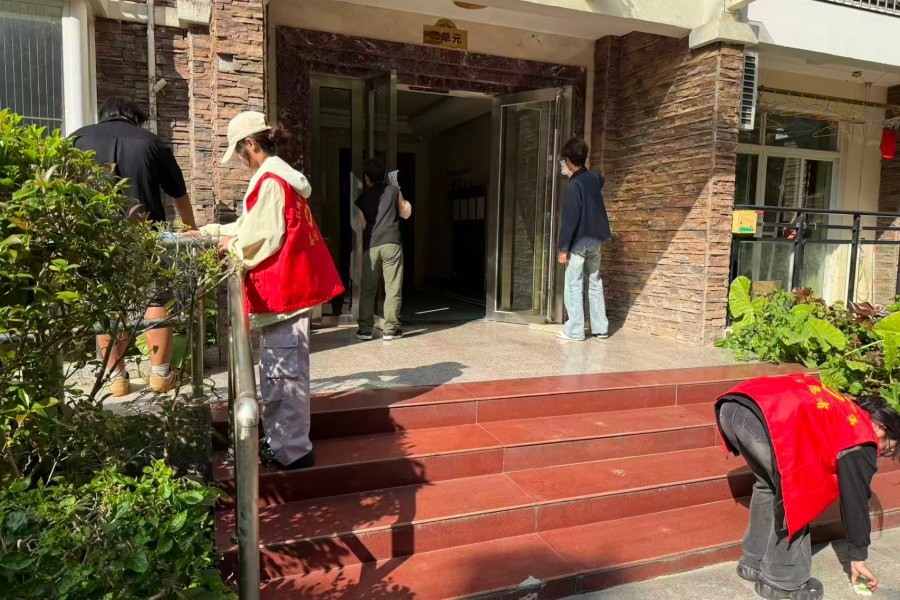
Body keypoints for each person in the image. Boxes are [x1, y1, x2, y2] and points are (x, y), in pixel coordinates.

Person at [198, 111, 343, 470]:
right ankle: (285, 445)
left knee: (283, 376)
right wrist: (212, 233)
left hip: (284, 294)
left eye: (240, 153)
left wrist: (230, 246)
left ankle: (291, 451)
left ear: (250, 144)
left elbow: (261, 236)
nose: (241, 161)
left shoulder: (270, 181)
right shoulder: (281, 178)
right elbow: (252, 227)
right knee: (282, 372)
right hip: (288, 293)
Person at [715, 373, 900, 600]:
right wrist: (858, 556)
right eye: (888, 449)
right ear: (882, 427)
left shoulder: (843, 409)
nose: (880, 453)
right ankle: (782, 581)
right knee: (799, 497)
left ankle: (752, 562)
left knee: (768, 487)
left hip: (732, 405)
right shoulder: (862, 434)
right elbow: (855, 500)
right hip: (762, 418)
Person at [70, 97, 198, 396]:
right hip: (146, 237)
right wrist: (191, 229)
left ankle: (116, 378)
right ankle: (160, 375)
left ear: (103, 115)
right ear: (134, 117)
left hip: (97, 239)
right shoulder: (151, 142)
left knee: (108, 304)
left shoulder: (77, 139)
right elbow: (178, 193)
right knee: (157, 300)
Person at [555, 138, 612, 342]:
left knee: (573, 284)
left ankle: (575, 331)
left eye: (564, 161)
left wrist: (563, 248)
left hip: (579, 242)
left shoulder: (574, 185)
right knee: (595, 282)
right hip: (596, 239)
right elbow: (601, 180)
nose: (563, 165)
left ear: (569, 160)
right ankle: (601, 328)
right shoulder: (594, 178)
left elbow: (570, 220)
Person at [354, 158, 410, 341]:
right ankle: (391, 330)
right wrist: (399, 190)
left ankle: (365, 330)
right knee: (392, 288)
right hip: (392, 242)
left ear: (367, 178)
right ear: (385, 175)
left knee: (368, 289)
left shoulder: (362, 199)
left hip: (371, 245)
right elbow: (405, 211)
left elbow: (363, 225)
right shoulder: (394, 190)